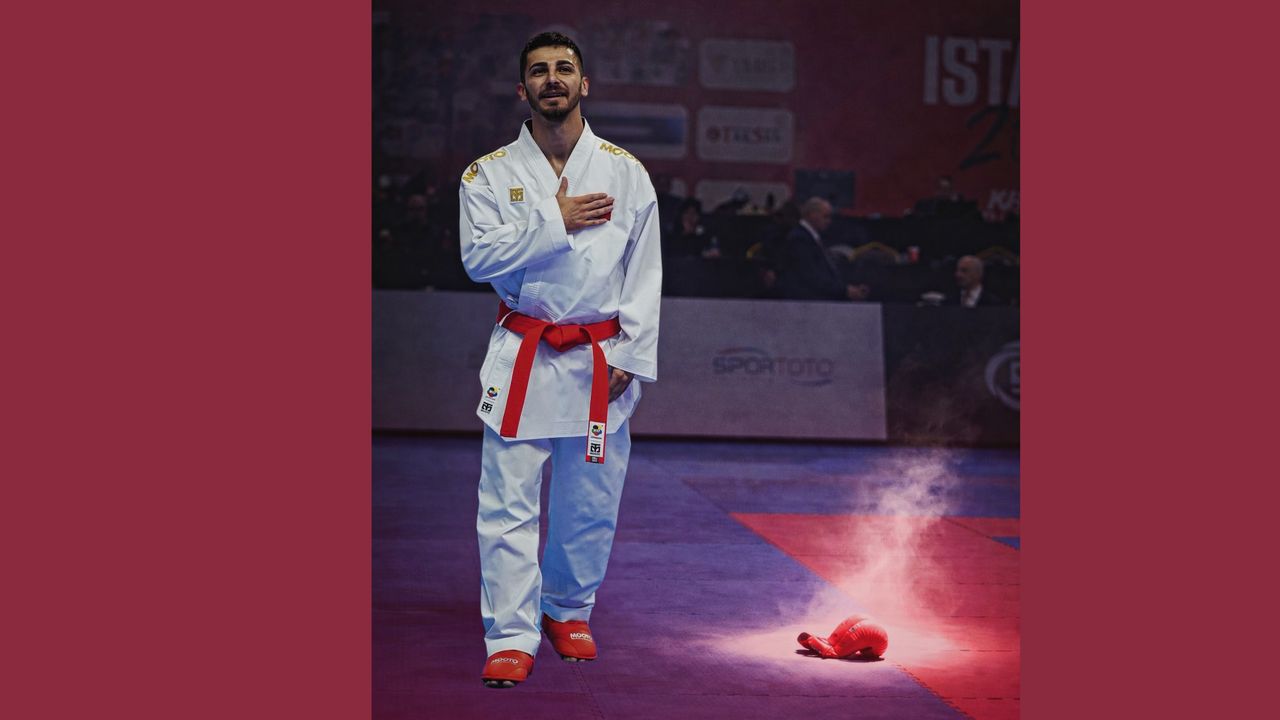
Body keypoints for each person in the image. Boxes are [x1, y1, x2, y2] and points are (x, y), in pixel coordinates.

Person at [457, 31, 662, 689]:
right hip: (526, 351)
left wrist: (633, 350)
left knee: (591, 497)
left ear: (583, 84)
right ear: (523, 89)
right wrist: (556, 219)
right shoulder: (487, 173)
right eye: (540, 70)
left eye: (564, 69)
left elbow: (645, 268)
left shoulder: (625, 171)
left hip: (601, 356)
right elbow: (477, 259)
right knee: (507, 502)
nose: (553, 79)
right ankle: (510, 634)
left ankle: (568, 609)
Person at [770, 197, 868, 301]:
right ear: (812, 215)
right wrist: (845, 291)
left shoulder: (811, 238)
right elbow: (811, 276)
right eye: (826, 217)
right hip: (806, 301)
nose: (829, 221)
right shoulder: (799, 239)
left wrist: (848, 289)